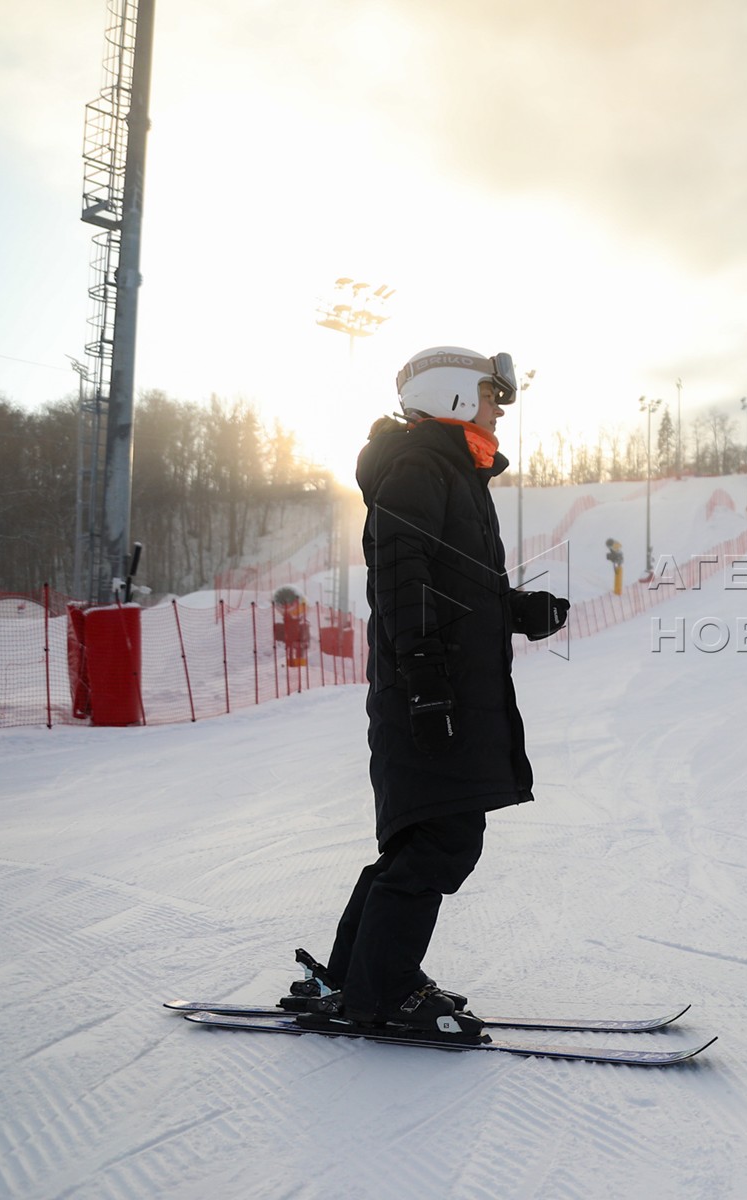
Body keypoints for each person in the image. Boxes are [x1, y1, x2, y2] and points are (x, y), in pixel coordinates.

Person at [289, 345, 570, 1041]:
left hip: (442, 684)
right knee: (442, 839)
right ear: (449, 394)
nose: (499, 407)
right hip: (431, 690)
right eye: (488, 394)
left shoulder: (447, 471)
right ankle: (380, 992)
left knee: (422, 838)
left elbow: (450, 583)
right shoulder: (420, 465)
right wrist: (425, 685)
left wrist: (515, 610)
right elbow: (400, 578)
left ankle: (351, 976)